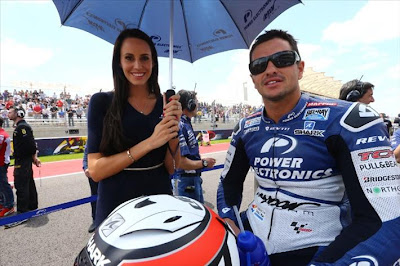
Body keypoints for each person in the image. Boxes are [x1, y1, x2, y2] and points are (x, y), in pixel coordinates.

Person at [216, 29, 400, 265]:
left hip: (319, 249)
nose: (270, 69)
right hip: (250, 243)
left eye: (282, 60)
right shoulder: (245, 127)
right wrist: (229, 221)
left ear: (300, 68)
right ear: (253, 79)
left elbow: (387, 219)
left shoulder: (350, 120)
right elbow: (227, 183)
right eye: (259, 65)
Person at [87, 28, 182, 227]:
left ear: (153, 62)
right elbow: (95, 170)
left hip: (160, 205)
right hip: (116, 210)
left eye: (144, 58)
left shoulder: (165, 103)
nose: (138, 65)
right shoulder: (101, 102)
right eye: (129, 58)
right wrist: (149, 143)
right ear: (119, 62)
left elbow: (172, 168)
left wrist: (172, 128)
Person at [174, 90, 216, 203]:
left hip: (191, 179)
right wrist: (204, 163)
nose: (197, 105)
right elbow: (181, 162)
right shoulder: (181, 125)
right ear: (190, 104)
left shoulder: (185, 123)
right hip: (186, 181)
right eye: (196, 102)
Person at [7, 107, 41, 227]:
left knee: (21, 185)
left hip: (22, 162)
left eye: (10, 112)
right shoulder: (21, 127)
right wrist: (34, 158)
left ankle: (22, 214)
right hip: (24, 161)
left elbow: (31, 146)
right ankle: (32, 206)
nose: (8, 114)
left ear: (18, 114)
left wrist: (34, 158)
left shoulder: (22, 128)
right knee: (28, 183)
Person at [0, 117, 14, 217]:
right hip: (2, 162)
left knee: (3, 184)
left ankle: (9, 206)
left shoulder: (1, 135)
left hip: (1, 163)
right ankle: (3, 202)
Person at [82, 145, 97, 233]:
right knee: (94, 196)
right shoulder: (93, 135)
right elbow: (86, 154)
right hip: (94, 172)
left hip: (109, 169)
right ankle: (95, 220)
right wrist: (86, 168)